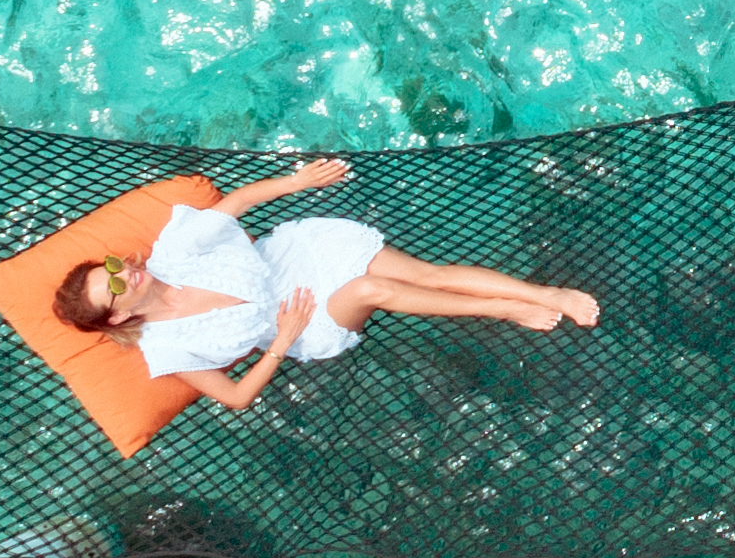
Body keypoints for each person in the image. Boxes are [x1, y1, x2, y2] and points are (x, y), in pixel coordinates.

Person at [45, 159, 601, 409]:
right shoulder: (167, 348)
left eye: (113, 267)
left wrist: (296, 181)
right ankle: (503, 309)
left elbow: (234, 203)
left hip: (292, 257)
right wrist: (282, 340)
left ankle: (541, 294)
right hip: (300, 323)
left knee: (423, 273)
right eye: (114, 287)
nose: (126, 273)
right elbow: (236, 397)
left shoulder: (175, 252)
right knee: (367, 291)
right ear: (117, 317)